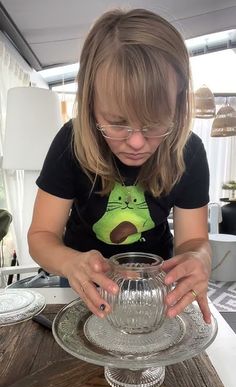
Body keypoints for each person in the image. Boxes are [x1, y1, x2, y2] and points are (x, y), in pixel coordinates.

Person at [28, 8, 212, 323]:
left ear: (179, 104)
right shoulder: (70, 142)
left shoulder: (189, 151)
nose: (137, 142)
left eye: (155, 124)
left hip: (153, 287)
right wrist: (71, 263)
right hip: (78, 285)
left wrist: (198, 259)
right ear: (91, 105)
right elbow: (42, 235)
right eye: (117, 123)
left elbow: (193, 241)